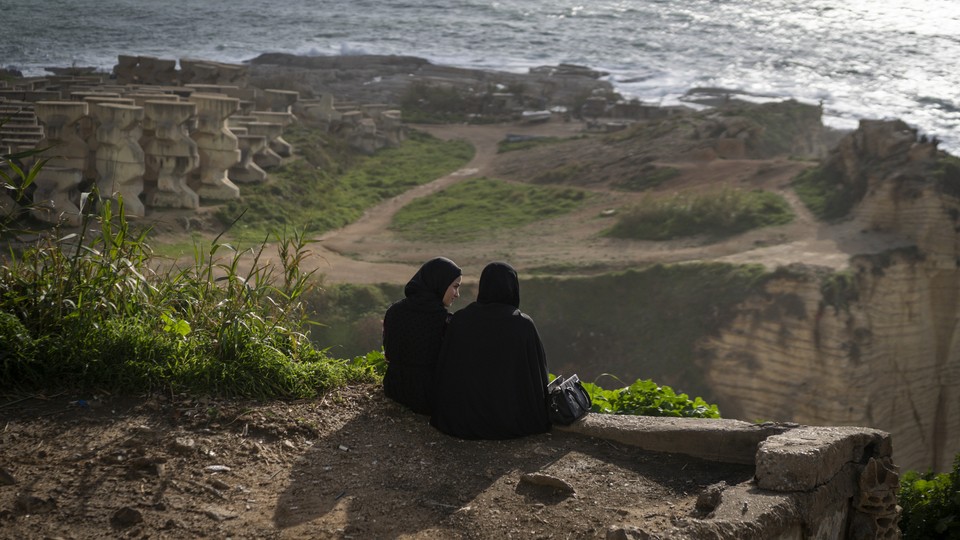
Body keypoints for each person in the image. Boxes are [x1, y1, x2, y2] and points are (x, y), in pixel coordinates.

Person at [430, 261, 551, 439]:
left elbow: (446, 370)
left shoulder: (461, 319)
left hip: (462, 420)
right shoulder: (523, 325)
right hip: (510, 421)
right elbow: (537, 376)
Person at [382, 257, 462, 414]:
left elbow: (388, 353)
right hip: (429, 395)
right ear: (440, 283)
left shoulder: (394, 310)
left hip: (394, 387)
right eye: (455, 287)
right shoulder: (444, 321)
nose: (457, 294)